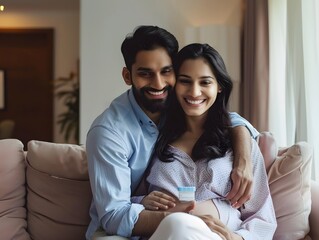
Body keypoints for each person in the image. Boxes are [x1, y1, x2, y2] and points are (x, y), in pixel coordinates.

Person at [85, 25, 259, 239]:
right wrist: (185, 219)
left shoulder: (177, 105)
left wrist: (244, 157)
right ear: (127, 76)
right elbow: (114, 216)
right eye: (145, 74)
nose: (158, 84)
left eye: (166, 71)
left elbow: (221, 116)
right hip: (119, 233)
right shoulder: (109, 132)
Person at [144, 43, 277, 240]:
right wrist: (144, 201)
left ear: (219, 86)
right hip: (164, 232)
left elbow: (263, 217)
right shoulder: (153, 138)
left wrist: (237, 238)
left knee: (179, 223)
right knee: (176, 223)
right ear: (173, 84)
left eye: (205, 82)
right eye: (185, 81)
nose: (194, 92)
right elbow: (127, 199)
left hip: (217, 236)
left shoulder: (239, 145)